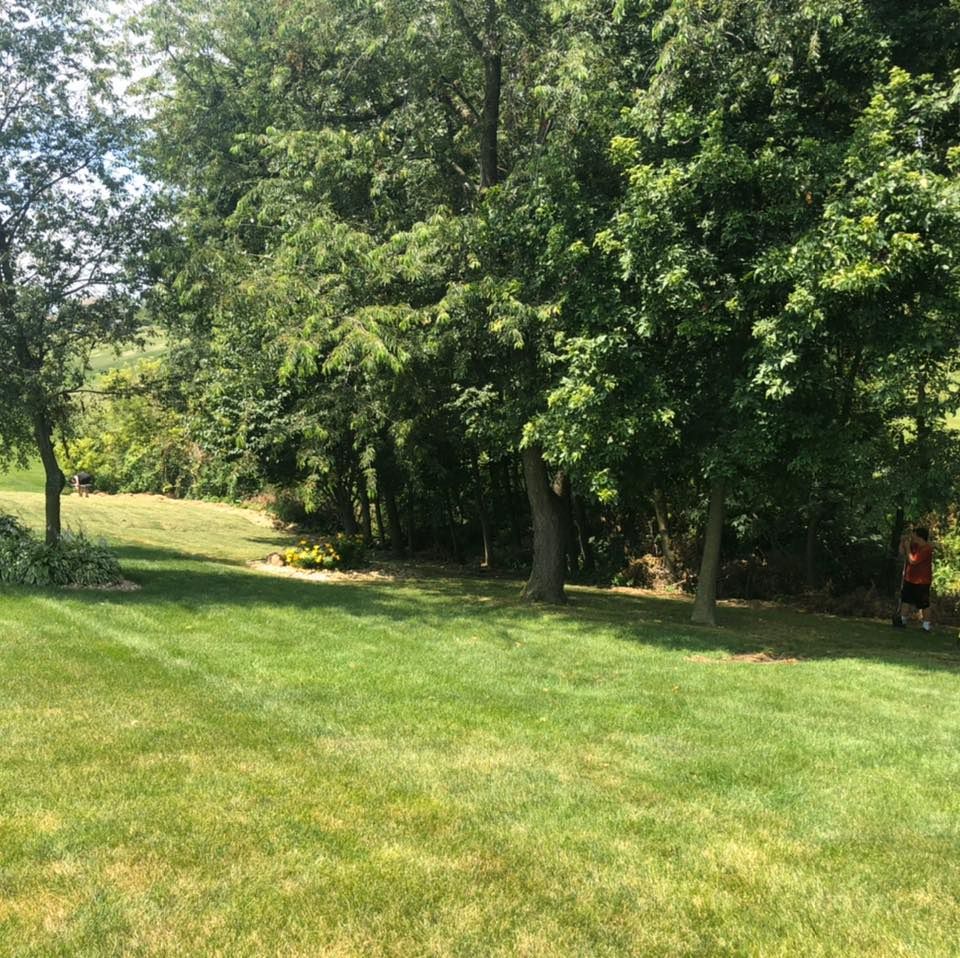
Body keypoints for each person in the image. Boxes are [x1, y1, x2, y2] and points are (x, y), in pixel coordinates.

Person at [897, 526, 933, 631]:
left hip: (922, 581)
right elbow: (901, 553)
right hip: (910, 578)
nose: (912, 536)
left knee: (924, 604)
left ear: (919, 536)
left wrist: (908, 547)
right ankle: (902, 621)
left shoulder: (926, 549)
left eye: (914, 534)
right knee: (906, 600)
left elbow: (913, 560)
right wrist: (902, 542)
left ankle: (926, 626)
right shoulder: (914, 545)